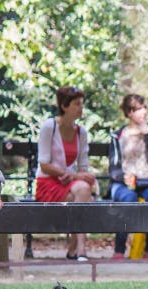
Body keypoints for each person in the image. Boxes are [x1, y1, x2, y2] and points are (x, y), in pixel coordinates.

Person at [35, 86, 98, 261]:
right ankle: (79, 250)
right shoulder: (50, 126)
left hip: (69, 183)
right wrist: (73, 175)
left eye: (81, 104)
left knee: (84, 190)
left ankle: (77, 250)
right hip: (48, 183)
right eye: (77, 104)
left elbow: (83, 166)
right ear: (64, 106)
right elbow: (44, 164)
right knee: (87, 199)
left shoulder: (81, 132)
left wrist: (77, 175)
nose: (81, 108)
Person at [108, 94, 148, 259]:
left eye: (144, 107)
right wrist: (122, 177)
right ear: (129, 112)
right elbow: (113, 168)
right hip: (125, 182)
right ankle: (119, 251)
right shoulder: (117, 136)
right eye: (139, 109)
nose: (144, 112)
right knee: (127, 199)